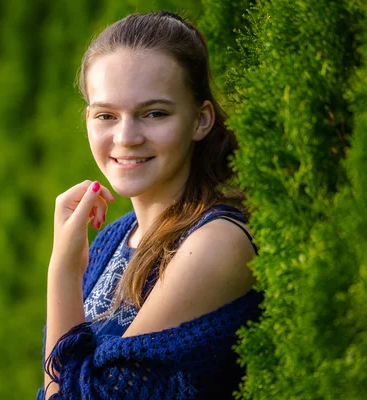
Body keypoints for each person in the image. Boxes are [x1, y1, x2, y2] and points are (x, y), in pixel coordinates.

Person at [38, 11, 262, 399]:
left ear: (200, 120)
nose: (126, 137)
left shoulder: (214, 243)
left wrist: (62, 274)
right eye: (106, 115)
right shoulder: (115, 238)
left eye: (154, 113)